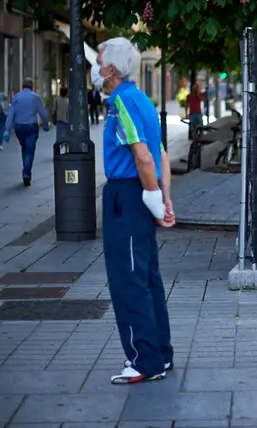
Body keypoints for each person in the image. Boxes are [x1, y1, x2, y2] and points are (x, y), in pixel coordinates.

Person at [92, 37, 176, 385]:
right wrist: (163, 197)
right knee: (146, 277)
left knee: (129, 280)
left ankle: (144, 360)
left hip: (128, 196)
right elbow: (161, 154)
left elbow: (143, 155)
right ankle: (159, 353)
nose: (95, 70)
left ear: (110, 69)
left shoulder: (120, 103)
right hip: (141, 193)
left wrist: (153, 196)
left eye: (98, 64)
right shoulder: (141, 99)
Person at [4, 78, 49, 187]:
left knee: (24, 148)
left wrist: (7, 130)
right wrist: (45, 125)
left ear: (22, 86)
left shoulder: (16, 97)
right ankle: (26, 173)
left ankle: (26, 169)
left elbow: (11, 114)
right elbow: (43, 114)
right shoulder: (36, 97)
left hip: (19, 127)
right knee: (30, 150)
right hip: (31, 127)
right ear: (32, 86)